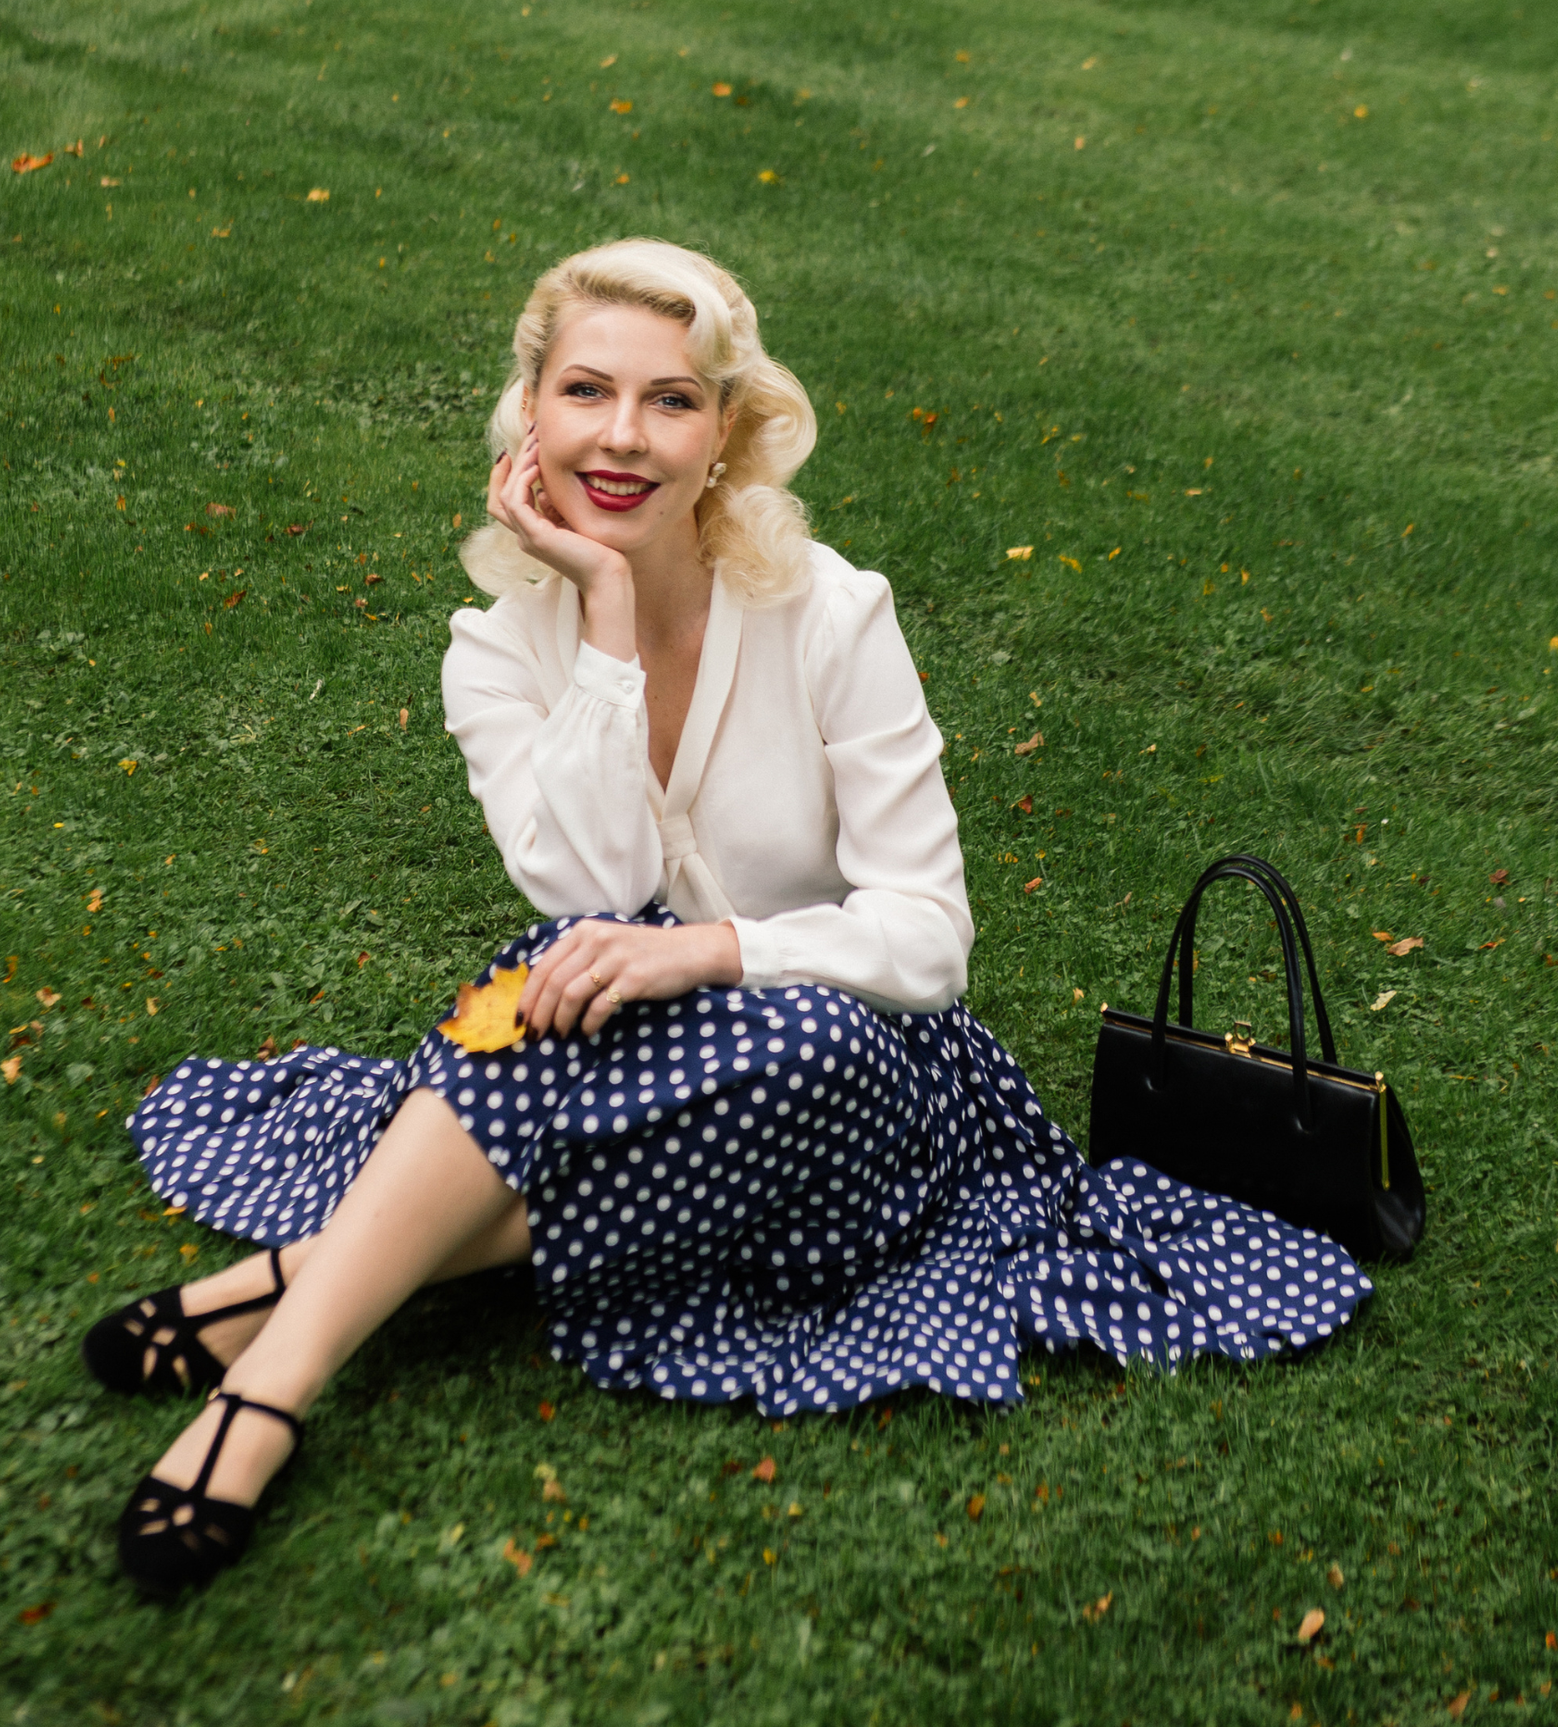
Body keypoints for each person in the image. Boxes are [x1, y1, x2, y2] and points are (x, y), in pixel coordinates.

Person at [84, 239, 1371, 1597]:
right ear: (532, 417)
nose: (623, 435)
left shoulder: (833, 617)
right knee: (543, 975)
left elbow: (927, 939)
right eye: (586, 392)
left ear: (727, 435)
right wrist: (605, 614)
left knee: (768, 1033)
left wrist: (707, 950)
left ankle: (293, 1306)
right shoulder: (496, 652)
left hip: (858, 1061)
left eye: (673, 400)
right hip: (603, 1038)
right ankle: (279, 1384)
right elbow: (587, 891)